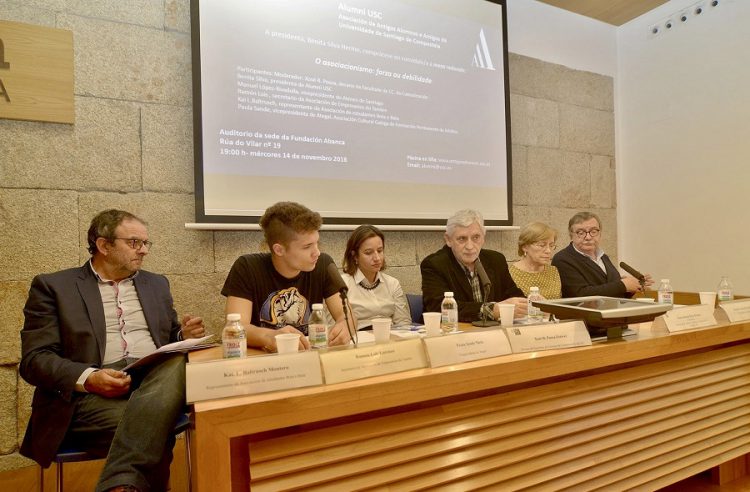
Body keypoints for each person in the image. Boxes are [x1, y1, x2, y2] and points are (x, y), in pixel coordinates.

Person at [20, 209, 206, 492]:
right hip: (91, 394)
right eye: (134, 243)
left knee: (177, 366)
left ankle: (118, 487)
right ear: (104, 245)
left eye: (146, 244)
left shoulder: (156, 284)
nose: (144, 251)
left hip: (154, 381)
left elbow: (168, 340)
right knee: (154, 423)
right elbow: (35, 360)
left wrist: (184, 335)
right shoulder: (54, 287)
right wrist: (90, 377)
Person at [222, 201, 354, 352]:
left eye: (317, 243)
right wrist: (271, 336)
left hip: (308, 355)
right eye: (307, 246)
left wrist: (345, 325)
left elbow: (347, 315)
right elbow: (236, 328)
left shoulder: (323, 264)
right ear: (279, 250)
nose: (316, 252)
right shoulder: (247, 267)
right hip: (262, 361)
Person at [421, 209, 527, 322]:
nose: (470, 246)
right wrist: (490, 310)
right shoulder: (434, 265)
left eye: (476, 237)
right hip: (453, 333)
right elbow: (439, 308)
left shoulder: (496, 260)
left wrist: (530, 303)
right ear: (448, 240)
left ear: (483, 238)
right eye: (462, 239)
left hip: (492, 333)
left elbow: (513, 295)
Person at [552, 211, 653, 298]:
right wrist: (622, 285)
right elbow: (579, 294)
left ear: (600, 234)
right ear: (571, 236)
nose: (588, 237)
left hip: (613, 316)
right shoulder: (563, 259)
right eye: (580, 232)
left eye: (593, 231)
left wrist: (632, 287)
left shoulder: (603, 257)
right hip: (586, 319)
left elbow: (613, 294)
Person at [341, 225, 411, 330]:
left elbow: (403, 323)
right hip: (358, 340)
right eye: (368, 253)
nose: (377, 258)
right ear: (355, 256)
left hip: (389, 338)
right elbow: (335, 326)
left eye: (380, 251)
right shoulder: (342, 283)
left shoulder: (392, 283)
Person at [509, 222, 562, 299]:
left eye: (551, 245)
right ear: (525, 247)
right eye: (541, 245)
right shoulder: (511, 274)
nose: (548, 251)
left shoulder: (553, 271)